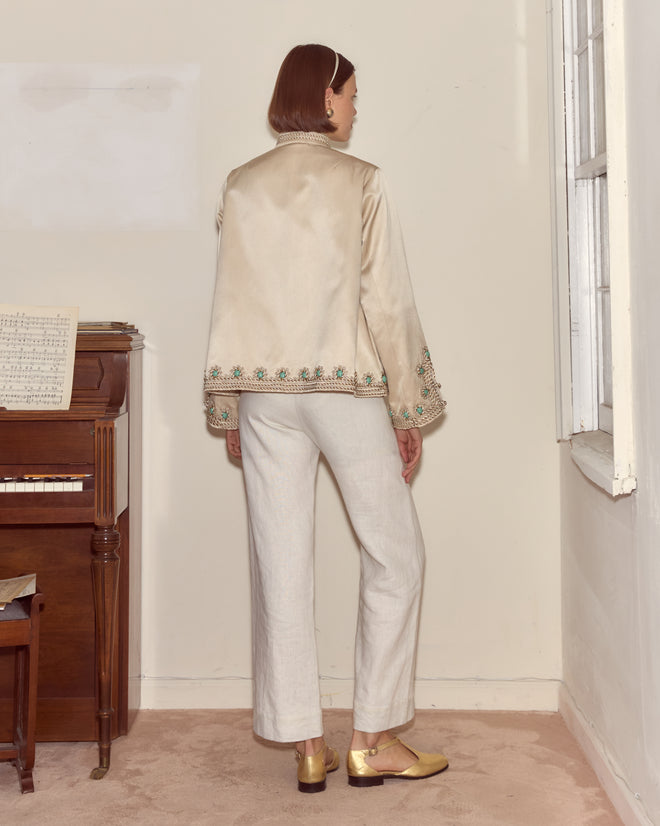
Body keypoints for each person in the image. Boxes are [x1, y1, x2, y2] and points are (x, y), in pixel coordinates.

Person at [204, 44, 448, 793]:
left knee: (280, 563)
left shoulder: (242, 184)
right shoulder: (362, 181)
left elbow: (231, 301)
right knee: (396, 555)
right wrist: (409, 407)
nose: (354, 106)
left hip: (266, 395)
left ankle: (308, 745)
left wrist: (230, 407)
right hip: (345, 389)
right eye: (350, 93)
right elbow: (389, 305)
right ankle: (371, 740)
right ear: (324, 96)